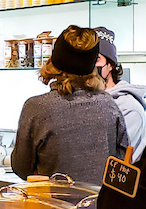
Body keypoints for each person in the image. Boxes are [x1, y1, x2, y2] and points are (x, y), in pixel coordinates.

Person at [11, 25, 129, 185]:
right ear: (93, 67)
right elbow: (122, 161)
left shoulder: (37, 108)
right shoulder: (108, 105)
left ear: (52, 63)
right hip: (100, 206)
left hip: (54, 207)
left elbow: (21, 168)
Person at [94, 27, 146, 160]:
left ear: (111, 64)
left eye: (96, 59)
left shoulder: (128, 107)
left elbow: (112, 157)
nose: (91, 66)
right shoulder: (87, 101)